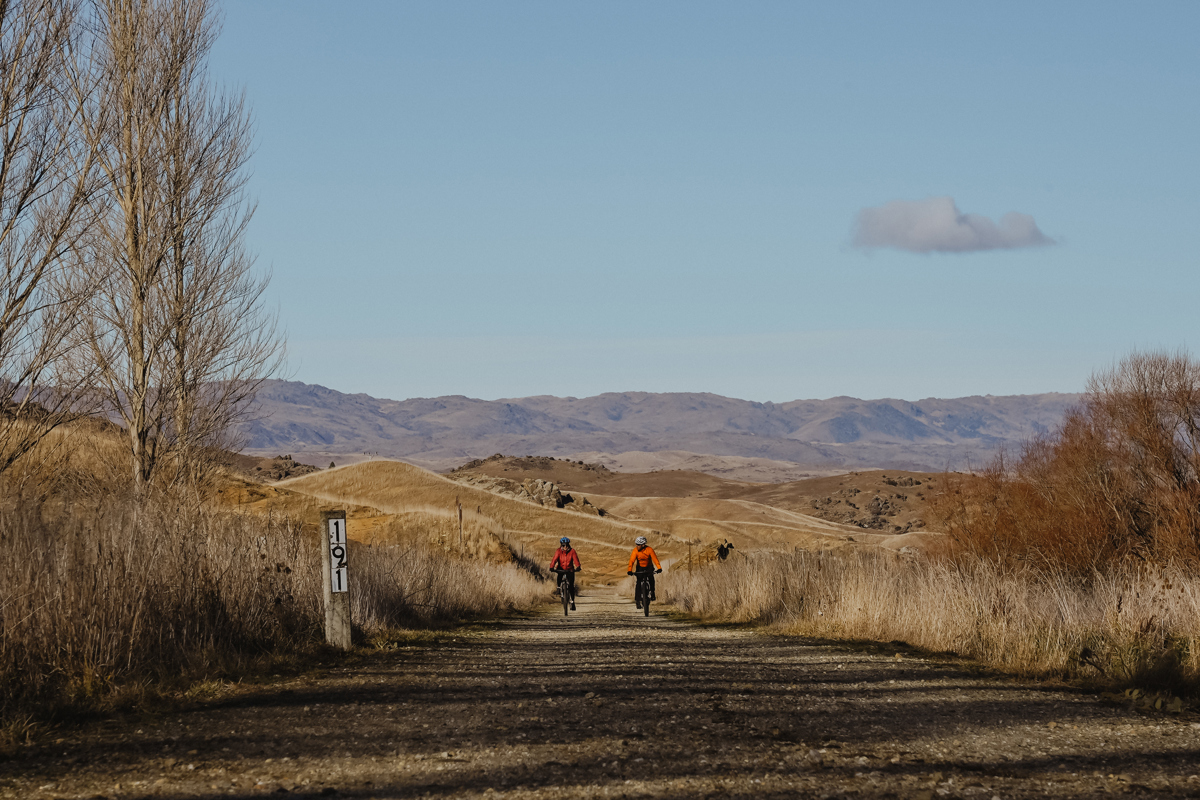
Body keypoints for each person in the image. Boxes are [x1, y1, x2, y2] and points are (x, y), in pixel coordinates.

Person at [626, 535, 662, 608]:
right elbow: (631, 561)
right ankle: (637, 600)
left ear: (643, 545)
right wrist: (629, 570)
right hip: (639, 568)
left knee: (651, 579)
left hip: (649, 567)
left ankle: (652, 593)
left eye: (638, 545)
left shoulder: (649, 550)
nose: (637, 546)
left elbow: (655, 559)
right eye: (636, 544)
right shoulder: (635, 551)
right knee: (638, 583)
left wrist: (659, 568)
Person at [549, 536, 580, 610]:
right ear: (561, 545)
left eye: (566, 545)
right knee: (559, 575)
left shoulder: (572, 551)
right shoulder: (558, 551)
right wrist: (551, 567)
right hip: (561, 569)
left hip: (570, 570)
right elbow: (554, 559)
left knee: (571, 586)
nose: (565, 546)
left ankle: (572, 602)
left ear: (568, 544)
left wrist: (578, 566)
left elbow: (576, 560)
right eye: (563, 545)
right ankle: (559, 587)